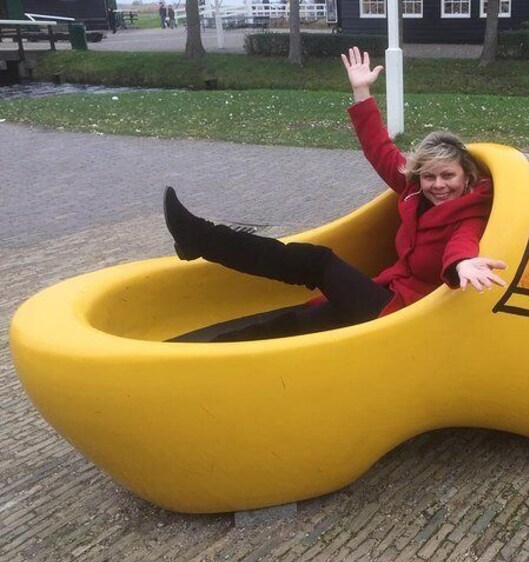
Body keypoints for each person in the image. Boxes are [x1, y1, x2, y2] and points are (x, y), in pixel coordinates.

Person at [164, 46, 506, 341]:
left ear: (467, 177)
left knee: (318, 262)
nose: (438, 185)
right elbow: (380, 149)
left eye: (448, 176)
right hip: (382, 294)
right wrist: (362, 92)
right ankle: (202, 354)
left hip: (398, 314)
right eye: (429, 176)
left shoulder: (470, 210)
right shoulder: (414, 191)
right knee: (300, 324)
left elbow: (465, 239)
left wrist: (462, 264)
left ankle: (201, 238)